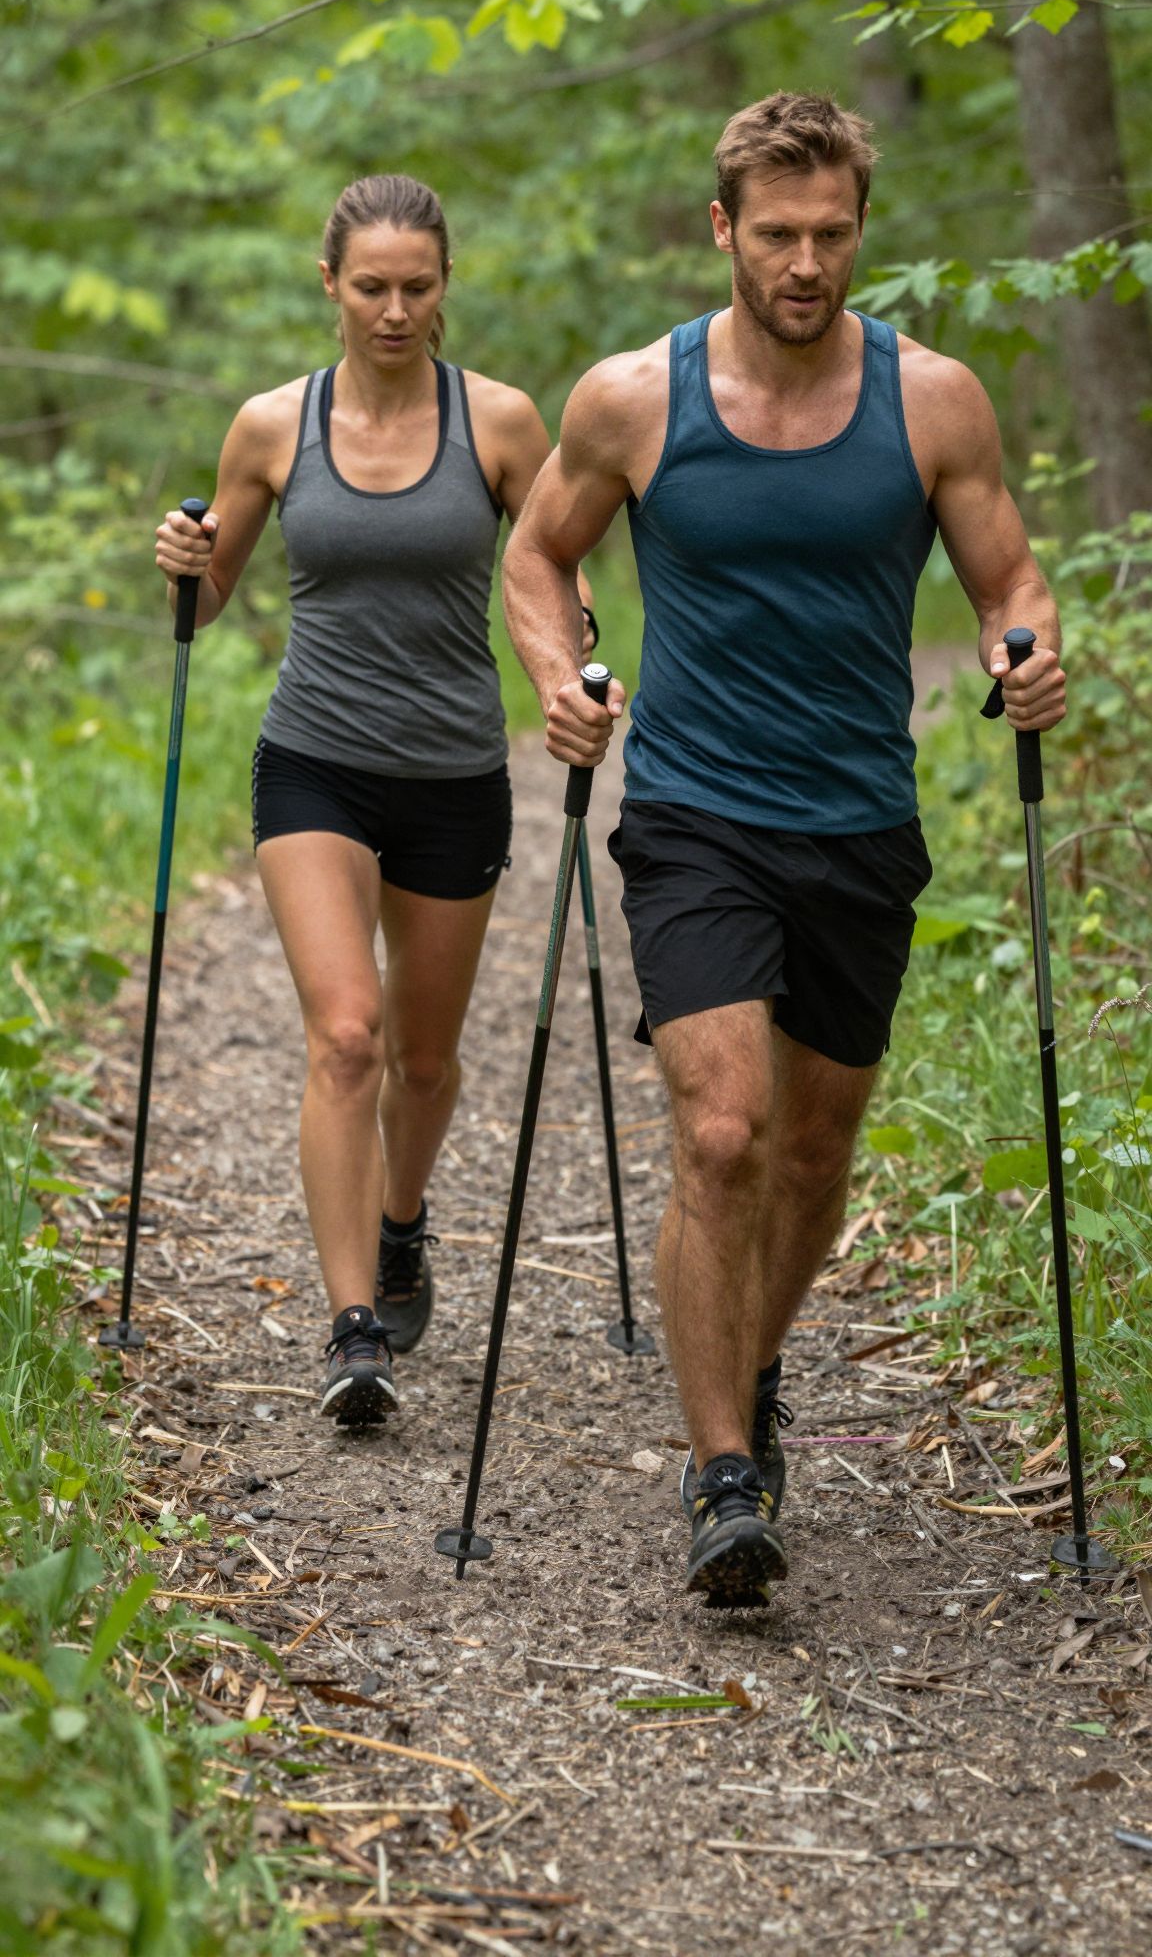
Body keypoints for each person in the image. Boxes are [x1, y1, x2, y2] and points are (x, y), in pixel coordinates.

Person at [502, 93, 1067, 1606]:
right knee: (725, 1131)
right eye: (777, 236)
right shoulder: (634, 399)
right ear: (723, 231)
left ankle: (749, 1373)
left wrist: (1027, 653)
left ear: (860, 230)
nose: (806, 264)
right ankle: (720, 1475)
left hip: (860, 821)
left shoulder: (932, 400)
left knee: (813, 1153)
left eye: (831, 235)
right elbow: (540, 552)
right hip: (692, 814)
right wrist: (560, 676)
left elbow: (1008, 574)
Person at [155, 173, 593, 1427]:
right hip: (317, 757)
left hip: (457, 770)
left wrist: (573, 667)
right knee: (345, 1033)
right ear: (329, 285)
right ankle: (355, 1321)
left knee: (425, 1054)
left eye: (418, 286)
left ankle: (402, 1223)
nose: (395, 310)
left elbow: (554, 567)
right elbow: (213, 593)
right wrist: (187, 565)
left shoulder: (503, 423)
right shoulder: (271, 426)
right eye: (371, 287)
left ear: (445, 284)